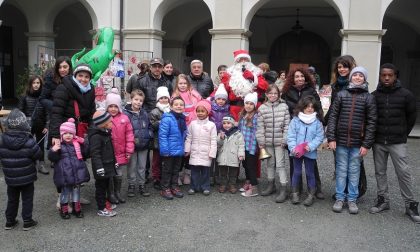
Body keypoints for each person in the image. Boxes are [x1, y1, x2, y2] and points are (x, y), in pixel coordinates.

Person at [370, 63, 420, 223]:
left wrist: (403, 133)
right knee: (380, 172)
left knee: (403, 173)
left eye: (389, 75)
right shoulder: (374, 95)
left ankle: (410, 205)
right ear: (380, 76)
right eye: (383, 75)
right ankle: (383, 200)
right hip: (378, 141)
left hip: (397, 141)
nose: (386, 77)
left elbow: (412, 117)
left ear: (395, 76)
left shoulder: (406, 95)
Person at [327, 66, 377, 214]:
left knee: (354, 171)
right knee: (341, 170)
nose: (357, 78)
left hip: (358, 143)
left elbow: (372, 122)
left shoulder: (369, 98)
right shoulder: (341, 95)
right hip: (341, 141)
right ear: (351, 78)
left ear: (365, 79)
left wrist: (367, 144)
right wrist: (331, 137)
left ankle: (352, 199)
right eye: (355, 75)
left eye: (361, 75)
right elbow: (333, 117)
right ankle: (340, 197)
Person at [325, 55, 368, 200]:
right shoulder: (336, 85)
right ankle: (341, 191)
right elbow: (333, 109)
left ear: (351, 68)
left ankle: (356, 190)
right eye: (339, 67)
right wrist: (324, 122)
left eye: (345, 66)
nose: (342, 69)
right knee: (340, 162)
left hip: (354, 130)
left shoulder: (360, 86)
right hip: (339, 130)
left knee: (355, 164)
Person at [281, 67, 325, 199]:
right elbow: (284, 109)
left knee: (312, 164)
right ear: (292, 79)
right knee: (294, 162)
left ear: (305, 78)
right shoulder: (287, 91)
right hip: (294, 128)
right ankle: (297, 189)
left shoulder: (311, 90)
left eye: (301, 76)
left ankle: (316, 189)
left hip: (310, 127)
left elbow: (318, 107)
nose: (299, 79)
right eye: (296, 76)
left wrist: (319, 121)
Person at [0, 109, 41, 231]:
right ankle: (27, 221)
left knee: (12, 199)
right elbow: (38, 155)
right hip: (27, 177)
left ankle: (10, 221)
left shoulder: (1, 140)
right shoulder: (29, 141)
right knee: (27, 199)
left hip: (11, 177)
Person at [48, 118, 90, 219]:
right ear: (61, 134)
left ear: (74, 134)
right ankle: (64, 209)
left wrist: (84, 143)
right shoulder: (59, 146)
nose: (68, 135)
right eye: (65, 133)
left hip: (76, 174)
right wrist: (53, 151)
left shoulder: (77, 144)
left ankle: (77, 208)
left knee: (76, 192)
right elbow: (52, 158)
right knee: (65, 193)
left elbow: (85, 154)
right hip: (65, 175)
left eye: (70, 133)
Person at [287, 96, 324, 206]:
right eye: (307, 106)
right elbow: (291, 136)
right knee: (296, 172)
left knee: (310, 173)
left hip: (310, 152)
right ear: (302, 107)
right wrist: (293, 148)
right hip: (296, 152)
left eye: (312, 107)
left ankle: (311, 195)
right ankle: (294, 193)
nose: (309, 109)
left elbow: (319, 137)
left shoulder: (317, 122)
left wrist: (311, 146)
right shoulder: (295, 120)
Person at [256, 86, 290, 202]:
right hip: (268, 142)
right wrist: (261, 141)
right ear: (266, 94)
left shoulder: (284, 107)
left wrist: (284, 139)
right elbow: (260, 127)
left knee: (280, 165)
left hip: (280, 142)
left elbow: (287, 125)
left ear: (279, 94)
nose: (273, 96)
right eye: (270, 93)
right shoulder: (262, 108)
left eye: (276, 93)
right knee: (270, 164)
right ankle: (271, 185)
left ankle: (283, 188)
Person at [222, 50, 269, 121]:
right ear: (236, 62)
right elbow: (223, 89)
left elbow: (265, 87)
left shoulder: (256, 72)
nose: (243, 61)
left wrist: (253, 78)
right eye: (240, 59)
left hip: (254, 109)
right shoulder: (229, 73)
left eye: (245, 59)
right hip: (236, 108)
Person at [106, 88, 135, 203]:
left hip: (121, 152)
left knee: (119, 173)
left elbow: (129, 135)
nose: (113, 109)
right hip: (108, 153)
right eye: (110, 106)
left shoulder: (125, 118)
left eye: (115, 106)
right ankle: (111, 193)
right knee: (110, 174)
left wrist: (129, 151)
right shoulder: (104, 118)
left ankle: (117, 192)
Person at [124, 89, 153, 197]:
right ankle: (131, 185)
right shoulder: (126, 114)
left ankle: (142, 184)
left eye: (140, 100)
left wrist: (149, 134)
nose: (138, 102)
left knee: (142, 166)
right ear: (131, 100)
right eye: (136, 99)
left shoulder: (144, 113)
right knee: (131, 166)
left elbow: (149, 126)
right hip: (131, 146)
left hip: (143, 145)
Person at [184, 100, 217, 195]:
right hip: (194, 152)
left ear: (207, 112)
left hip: (206, 153)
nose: (200, 113)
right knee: (194, 171)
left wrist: (212, 153)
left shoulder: (211, 125)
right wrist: (187, 149)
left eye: (203, 111)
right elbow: (189, 137)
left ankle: (205, 187)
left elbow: (213, 140)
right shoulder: (193, 124)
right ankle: (194, 186)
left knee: (205, 171)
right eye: (198, 111)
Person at [88, 110, 117, 217]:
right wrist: (99, 167)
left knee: (105, 186)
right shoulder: (96, 137)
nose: (112, 122)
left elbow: (111, 150)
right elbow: (95, 154)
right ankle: (101, 208)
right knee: (101, 187)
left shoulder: (106, 133)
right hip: (101, 168)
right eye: (110, 122)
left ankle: (105, 203)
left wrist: (115, 162)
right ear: (103, 124)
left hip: (108, 165)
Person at [18, 75, 48, 175]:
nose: (36, 85)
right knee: (26, 145)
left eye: (38, 83)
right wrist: (22, 125)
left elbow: (48, 112)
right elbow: (20, 112)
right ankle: (27, 164)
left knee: (40, 145)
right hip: (27, 126)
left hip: (41, 125)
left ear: (41, 84)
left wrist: (47, 125)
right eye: (34, 83)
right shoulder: (24, 96)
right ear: (30, 84)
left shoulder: (44, 96)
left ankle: (41, 164)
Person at [159, 96, 187, 200]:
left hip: (179, 150)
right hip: (169, 151)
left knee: (176, 170)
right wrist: (165, 150)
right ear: (171, 106)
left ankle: (174, 186)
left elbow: (184, 135)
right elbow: (163, 135)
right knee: (167, 170)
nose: (179, 106)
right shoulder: (167, 118)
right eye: (176, 104)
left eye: (181, 104)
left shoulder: (183, 118)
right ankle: (165, 188)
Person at [149, 86, 171, 190]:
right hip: (157, 140)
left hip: (168, 140)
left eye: (165, 98)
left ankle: (165, 177)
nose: (163, 100)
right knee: (156, 161)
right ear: (158, 99)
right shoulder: (155, 111)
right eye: (161, 98)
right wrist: (162, 122)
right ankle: (156, 178)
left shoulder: (171, 110)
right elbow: (152, 125)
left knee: (166, 160)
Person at [217, 115, 245, 194]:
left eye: (228, 123)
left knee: (233, 173)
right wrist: (221, 138)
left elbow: (241, 145)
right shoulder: (221, 133)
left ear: (232, 124)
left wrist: (241, 154)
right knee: (223, 172)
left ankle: (232, 185)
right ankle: (223, 184)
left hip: (233, 156)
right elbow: (218, 144)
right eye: (224, 123)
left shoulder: (238, 134)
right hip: (223, 156)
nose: (226, 125)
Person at [239, 92, 259, 197]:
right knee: (245, 165)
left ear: (255, 105)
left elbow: (256, 133)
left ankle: (254, 187)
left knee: (251, 167)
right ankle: (248, 182)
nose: (248, 106)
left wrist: (253, 148)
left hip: (251, 146)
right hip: (243, 146)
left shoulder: (256, 117)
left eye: (251, 104)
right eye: (247, 103)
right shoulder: (243, 115)